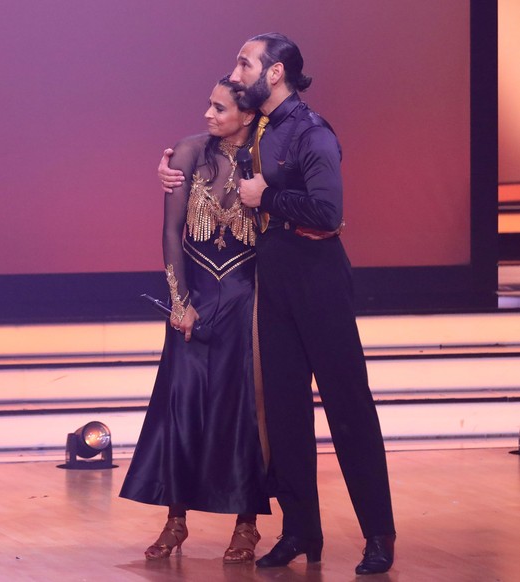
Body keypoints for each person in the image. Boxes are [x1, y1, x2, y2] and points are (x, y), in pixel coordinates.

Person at [158, 33, 395, 575]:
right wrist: (172, 167)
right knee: (284, 414)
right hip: (275, 283)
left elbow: (328, 212)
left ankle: (378, 536)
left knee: (348, 410)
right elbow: (212, 142)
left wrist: (268, 197)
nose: (236, 69)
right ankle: (299, 531)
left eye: (245, 61)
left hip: (319, 281)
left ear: (276, 72)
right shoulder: (259, 128)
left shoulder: (312, 132)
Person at [120, 76, 270, 564]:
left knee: (242, 409)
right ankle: (175, 518)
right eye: (208, 104)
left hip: (247, 301)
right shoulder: (188, 152)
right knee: (182, 405)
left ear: (247, 116)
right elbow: (170, 232)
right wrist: (179, 301)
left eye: (220, 108)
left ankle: (247, 523)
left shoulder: (268, 157)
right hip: (197, 297)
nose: (208, 114)